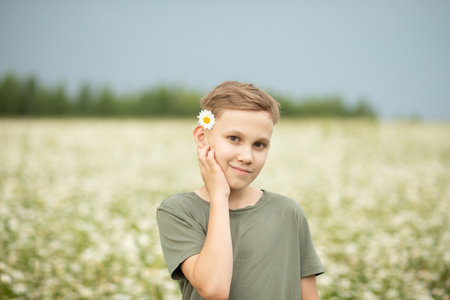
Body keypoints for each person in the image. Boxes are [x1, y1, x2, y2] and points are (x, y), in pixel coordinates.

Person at [156, 81, 324, 300]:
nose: (247, 157)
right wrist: (219, 196)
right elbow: (215, 289)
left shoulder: (288, 213)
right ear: (202, 137)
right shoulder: (179, 211)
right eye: (234, 139)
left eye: (259, 145)